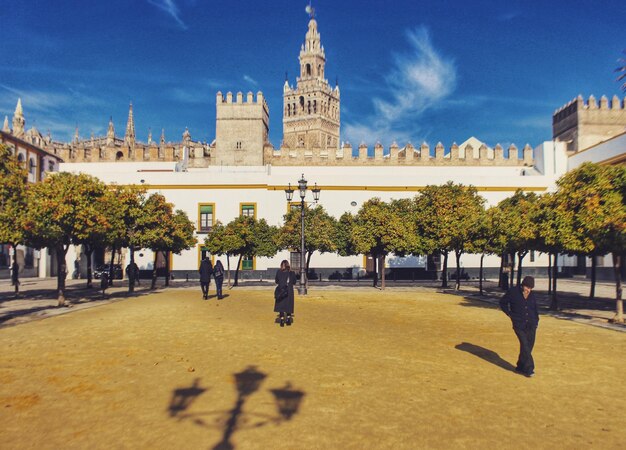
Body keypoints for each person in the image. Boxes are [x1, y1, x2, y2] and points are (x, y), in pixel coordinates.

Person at [499, 276, 539, 377]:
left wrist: (536, 321)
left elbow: (535, 309)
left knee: (529, 346)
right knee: (525, 344)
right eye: (527, 287)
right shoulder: (513, 292)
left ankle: (520, 365)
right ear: (522, 285)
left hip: (531, 324)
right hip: (518, 324)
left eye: (530, 288)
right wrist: (509, 314)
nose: (528, 290)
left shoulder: (532, 295)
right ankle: (529, 369)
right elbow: (502, 303)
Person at [274, 260, 297, 327]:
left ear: (281, 265)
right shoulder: (292, 273)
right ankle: (288, 319)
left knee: (281, 305)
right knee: (288, 304)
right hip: (289, 291)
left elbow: (276, 281)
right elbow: (294, 282)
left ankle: (281, 319)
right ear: (288, 265)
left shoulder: (279, 272)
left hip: (281, 290)